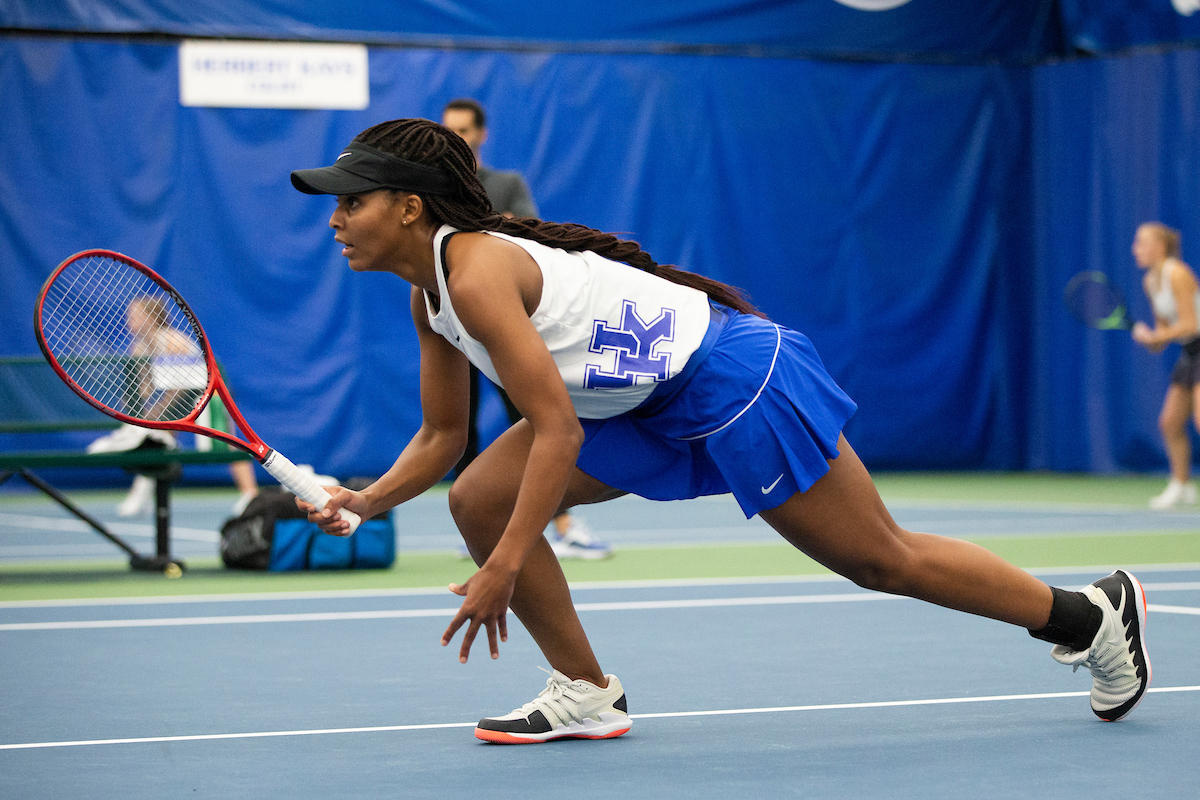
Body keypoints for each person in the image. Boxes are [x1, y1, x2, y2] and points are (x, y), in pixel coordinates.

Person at [289, 118, 1152, 743]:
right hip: (637, 405)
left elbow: (554, 431)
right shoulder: (429, 298)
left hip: (732, 381)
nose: (335, 219)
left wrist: (505, 566)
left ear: (409, 207)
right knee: (477, 496)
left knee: (878, 560)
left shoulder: (477, 274)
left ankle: (1087, 616)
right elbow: (443, 438)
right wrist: (366, 501)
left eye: (351, 202)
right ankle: (586, 691)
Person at [442, 98, 609, 559]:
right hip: (456, 330)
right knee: (460, 431)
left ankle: (563, 523)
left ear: (481, 134)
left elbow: (528, 232)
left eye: (464, 130)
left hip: (505, 324)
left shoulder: (507, 184)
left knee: (535, 419)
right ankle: (477, 524)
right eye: (449, 130)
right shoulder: (436, 191)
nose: (457, 138)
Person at [88, 296, 258, 516]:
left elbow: (181, 385)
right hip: (180, 396)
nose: (130, 320)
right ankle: (142, 490)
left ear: (152, 318)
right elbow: (144, 388)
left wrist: (156, 411)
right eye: (130, 315)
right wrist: (136, 411)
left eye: (136, 315)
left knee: (225, 442)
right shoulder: (139, 347)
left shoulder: (171, 341)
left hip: (208, 392)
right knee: (157, 439)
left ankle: (250, 494)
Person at [1130, 223, 1200, 509]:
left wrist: (1158, 336)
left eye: (1141, 243)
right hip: (1189, 352)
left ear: (1159, 247)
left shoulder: (1178, 273)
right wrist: (1149, 338)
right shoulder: (1149, 282)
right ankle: (1181, 485)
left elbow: (1190, 324)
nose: (1135, 249)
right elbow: (1164, 334)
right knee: (1170, 423)